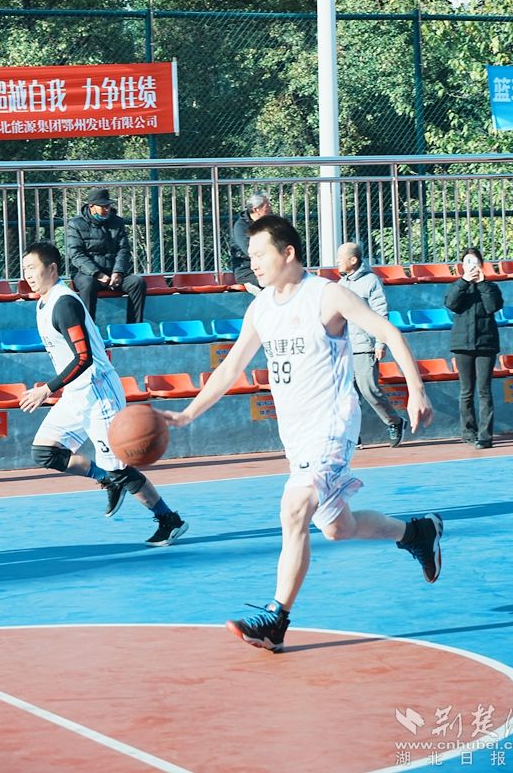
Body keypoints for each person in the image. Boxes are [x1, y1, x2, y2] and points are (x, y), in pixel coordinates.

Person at [162, 216, 441, 652]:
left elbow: (387, 331)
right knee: (338, 528)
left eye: (259, 254)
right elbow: (231, 367)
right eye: (250, 256)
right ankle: (416, 534)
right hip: (296, 435)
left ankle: (276, 620)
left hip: (332, 425)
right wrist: (187, 414)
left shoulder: (326, 295)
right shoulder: (261, 308)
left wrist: (416, 389)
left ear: (288, 252)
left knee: (294, 509)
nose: (253, 263)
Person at [19, 242, 187, 546]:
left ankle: (168, 519)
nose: (27, 274)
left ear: (52, 268)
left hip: (98, 391)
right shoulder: (43, 303)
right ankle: (105, 479)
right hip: (75, 393)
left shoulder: (64, 304)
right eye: (24, 269)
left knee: (119, 466)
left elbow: (84, 358)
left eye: (32, 268)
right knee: (45, 451)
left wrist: (47, 389)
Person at [337, 242, 406, 447]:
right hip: (345, 347)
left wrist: (380, 343)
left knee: (370, 390)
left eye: (340, 258)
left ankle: (394, 421)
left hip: (364, 346)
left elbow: (380, 313)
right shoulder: (340, 285)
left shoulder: (371, 281)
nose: (337, 262)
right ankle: (352, 434)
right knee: (346, 395)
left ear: (353, 260)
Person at [444, 248, 504, 450]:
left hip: (486, 344)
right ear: (462, 266)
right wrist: (464, 282)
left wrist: (482, 284)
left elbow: (493, 306)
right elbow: (451, 304)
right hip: (462, 344)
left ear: (481, 265)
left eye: (474, 262)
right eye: (467, 262)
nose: (471, 266)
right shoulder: (457, 286)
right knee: (466, 391)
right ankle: (468, 432)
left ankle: (485, 436)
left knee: (484, 391)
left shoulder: (491, 287)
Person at [67, 188, 146, 323]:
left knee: (137, 283)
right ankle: (88, 327)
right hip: (86, 273)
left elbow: (123, 249)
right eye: (103, 206)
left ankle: (134, 327)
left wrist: (118, 272)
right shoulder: (75, 224)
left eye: (108, 206)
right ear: (91, 206)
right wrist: (97, 274)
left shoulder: (117, 222)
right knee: (89, 284)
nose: (107, 209)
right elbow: (76, 254)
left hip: (112, 272)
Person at [229, 192, 271, 295]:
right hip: (247, 270)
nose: (270, 209)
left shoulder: (269, 223)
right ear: (256, 209)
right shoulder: (241, 226)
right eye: (267, 206)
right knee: (270, 285)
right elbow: (250, 251)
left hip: (267, 268)